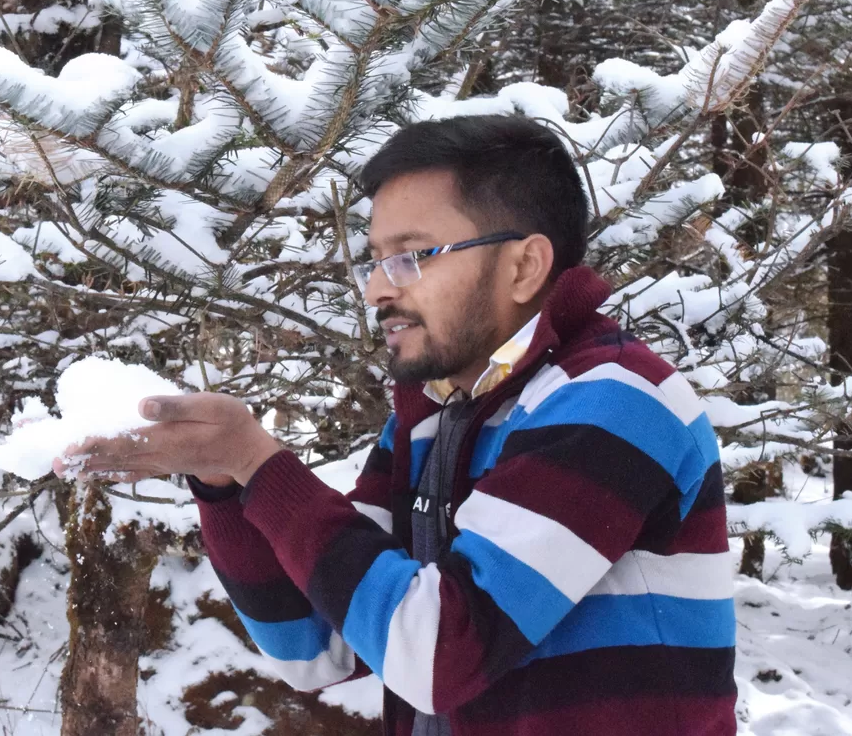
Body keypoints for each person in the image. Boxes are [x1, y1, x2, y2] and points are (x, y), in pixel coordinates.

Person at [63, 114, 737, 735]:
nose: (378, 289)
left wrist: (259, 462)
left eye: (413, 255)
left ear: (524, 265)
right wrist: (222, 478)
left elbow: (440, 654)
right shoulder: (432, 417)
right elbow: (313, 643)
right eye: (375, 259)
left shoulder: (614, 402)